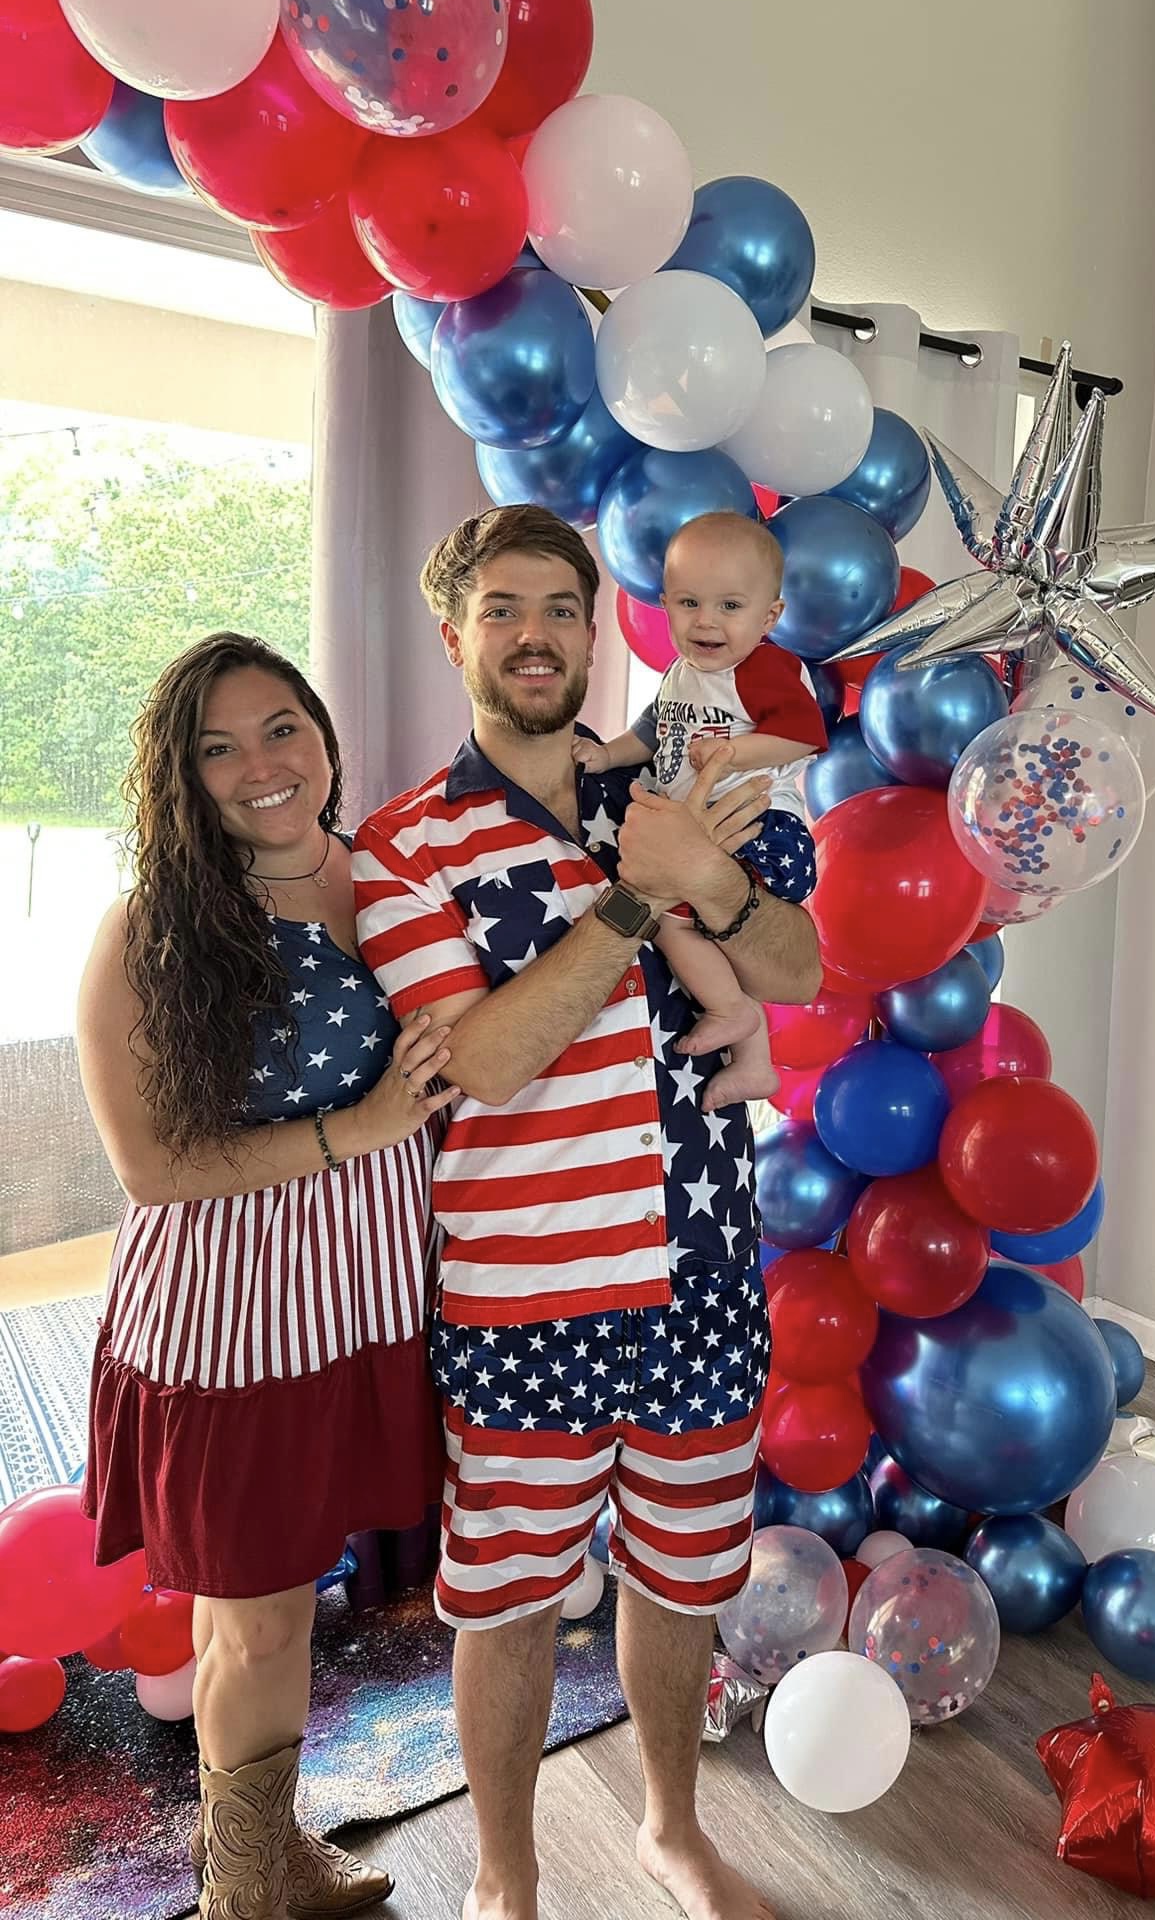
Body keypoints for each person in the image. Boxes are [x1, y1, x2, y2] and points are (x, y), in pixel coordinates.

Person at [351, 504, 822, 1920]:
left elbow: (793, 965)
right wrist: (635, 898)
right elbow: (484, 1059)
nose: (536, 634)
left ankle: (671, 1829)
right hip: (523, 1289)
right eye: (504, 609)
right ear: (457, 636)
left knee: (681, 1580)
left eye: (560, 607)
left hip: (701, 1274)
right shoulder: (403, 847)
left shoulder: (671, 780)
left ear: (593, 626)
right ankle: (506, 1876)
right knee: (502, 1604)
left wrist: (714, 874)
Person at [76, 633, 455, 1920]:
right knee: (261, 1621)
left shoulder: (392, 878)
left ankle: (258, 1846)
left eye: (281, 726)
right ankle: (247, 1890)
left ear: (326, 737)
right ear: (181, 777)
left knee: (276, 1603)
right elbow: (151, 1168)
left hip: (366, 1299)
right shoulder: (153, 929)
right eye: (218, 745)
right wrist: (357, 1130)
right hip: (234, 1324)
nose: (259, 764)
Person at [575, 513, 826, 1111]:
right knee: (677, 919)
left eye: (730, 606)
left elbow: (803, 736)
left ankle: (731, 1011)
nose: (707, 620)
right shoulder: (681, 674)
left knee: (670, 918)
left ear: (769, 617)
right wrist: (608, 753)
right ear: (664, 605)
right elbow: (651, 733)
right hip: (705, 828)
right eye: (689, 602)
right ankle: (755, 1060)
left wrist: (734, 751)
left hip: (761, 827)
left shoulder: (762, 669)